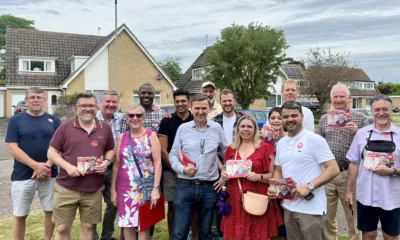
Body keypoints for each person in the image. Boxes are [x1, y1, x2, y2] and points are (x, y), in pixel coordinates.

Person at [268, 101, 339, 240]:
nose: (289, 119)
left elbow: (333, 168)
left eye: (294, 115)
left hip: (311, 210)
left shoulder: (314, 140)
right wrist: (274, 187)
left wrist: (309, 186)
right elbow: (278, 170)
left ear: (302, 117)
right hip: (289, 207)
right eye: (285, 116)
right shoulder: (281, 143)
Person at [48, 92, 115, 239]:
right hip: (67, 187)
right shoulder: (65, 127)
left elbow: (110, 149)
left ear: (96, 107)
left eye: (91, 105)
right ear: (76, 108)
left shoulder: (104, 128)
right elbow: (52, 152)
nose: (87, 109)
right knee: (63, 227)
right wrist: (68, 167)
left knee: (89, 226)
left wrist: (106, 161)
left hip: (93, 188)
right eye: (83, 105)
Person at [169, 94, 228, 240]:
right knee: (179, 233)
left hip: (209, 187)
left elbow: (228, 154)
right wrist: (182, 169)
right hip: (185, 185)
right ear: (191, 107)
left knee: (205, 232)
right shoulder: (183, 128)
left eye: (203, 108)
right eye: (197, 108)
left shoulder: (216, 128)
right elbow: (173, 155)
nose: (200, 112)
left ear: (209, 109)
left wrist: (224, 176)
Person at [6, 87, 61, 240]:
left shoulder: (54, 120)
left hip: (50, 174)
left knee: (50, 211)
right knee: (20, 214)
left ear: (44, 100)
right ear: (27, 100)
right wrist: (36, 166)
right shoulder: (16, 120)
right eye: (32, 97)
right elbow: (12, 148)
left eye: (39, 97)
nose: (36, 100)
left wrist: (47, 166)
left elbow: (60, 147)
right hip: (22, 175)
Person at [220, 115, 283, 240]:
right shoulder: (231, 149)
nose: (245, 129)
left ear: (255, 128)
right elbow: (228, 170)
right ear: (238, 129)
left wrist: (258, 176)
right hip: (235, 197)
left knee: (258, 233)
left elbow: (273, 173)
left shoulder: (265, 147)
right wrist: (224, 175)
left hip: (257, 196)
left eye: (249, 126)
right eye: (242, 126)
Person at [345, 95, 400, 240]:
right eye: (377, 109)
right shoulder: (362, 134)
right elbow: (354, 163)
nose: (381, 113)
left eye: (385, 109)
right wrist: (349, 190)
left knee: (391, 236)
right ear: (372, 111)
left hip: (392, 197)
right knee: (368, 235)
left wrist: (392, 171)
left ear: (391, 110)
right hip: (366, 196)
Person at [319, 83, 368, 240]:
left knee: (352, 215)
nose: (339, 100)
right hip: (327, 174)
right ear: (331, 99)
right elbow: (318, 144)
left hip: (350, 174)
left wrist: (358, 132)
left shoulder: (360, 118)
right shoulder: (325, 119)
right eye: (335, 96)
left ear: (349, 98)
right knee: (327, 215)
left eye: (342, 96)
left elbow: (371, 143)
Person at [110, 104, 162, 240]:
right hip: (125, 189)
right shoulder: (122, 137)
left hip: (145, 187)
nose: (135, 118)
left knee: (143, 224)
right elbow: (116, 165)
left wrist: (156, 189)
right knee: (127, 224)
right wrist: (113, 190)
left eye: (138, 115)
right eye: (131, 115)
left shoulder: (151, 135)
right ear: (126, 118)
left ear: (143, 117)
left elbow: (158, 163)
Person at [158, 89, 194, 239]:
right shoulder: (167, 120)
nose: (180, 104)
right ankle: (174, 236)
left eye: (183, 101)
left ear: (189, 102)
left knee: (195, 207)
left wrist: (187, 169)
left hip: (194, 171)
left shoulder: (196, 118)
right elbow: (163, 149)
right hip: (171, 172)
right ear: (174, 103)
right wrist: (176, 169)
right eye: (177, 101)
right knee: (173, 206)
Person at [95, 90, 123, 240]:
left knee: (113, 203)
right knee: (91, 205)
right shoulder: (92, 118)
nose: (111, 105)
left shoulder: (122, 118)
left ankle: (107, 236)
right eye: (108, 101)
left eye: (114, 102)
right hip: (94, 168)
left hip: (113, 168)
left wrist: (157, 107)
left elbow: (138, 113)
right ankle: (92, 235)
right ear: (101, 103)